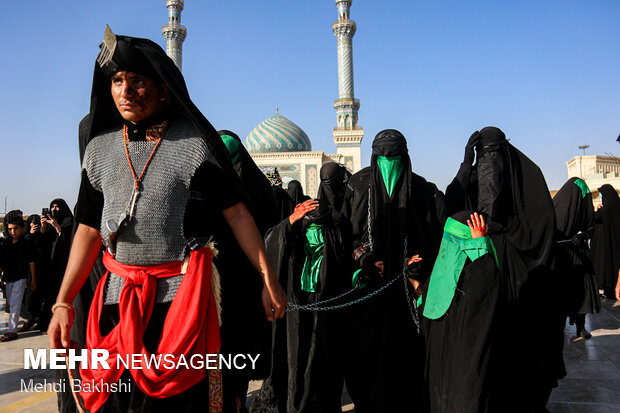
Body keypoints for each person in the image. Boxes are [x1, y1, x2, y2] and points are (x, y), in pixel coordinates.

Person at [47, 26, 287, 413]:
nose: (125, 91)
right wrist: (62, 303)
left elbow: (238, 213)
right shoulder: (99, 150)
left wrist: (267, 278)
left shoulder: (193, 147)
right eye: (118, 80)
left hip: (180, 306)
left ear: (163, 89)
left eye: (137, 81)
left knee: (179, 403)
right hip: (117, 303)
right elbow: (89, 230)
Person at [445, 126, 563, 412]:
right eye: (483, 158)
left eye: (493, 157)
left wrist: (506, 240)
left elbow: (542, 235)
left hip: (524, 281)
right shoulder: (472, 179)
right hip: (485, 269)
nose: (489, 169)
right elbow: (450, 205)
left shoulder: (527, 179)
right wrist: (465, 165)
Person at [341, 129, 442, 413]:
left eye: (394, 157)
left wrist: (418, 266)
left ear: (404, 156)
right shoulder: (358, 186)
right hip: (369, 289)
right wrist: (364, 258)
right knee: (366, 351)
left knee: (408, 352)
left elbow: (432, 236)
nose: (388, 164)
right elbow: (345, 235)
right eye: (383, 157)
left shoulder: (421, 190)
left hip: (408, 291)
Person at [251, 198, 352, 413]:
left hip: (326, 313)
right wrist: (290, 221)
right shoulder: (293, 238)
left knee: (324, 362)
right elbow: (271, 242)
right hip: (296, 314)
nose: (314, 235)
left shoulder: (335, 239)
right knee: (296, 362)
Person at [217, 130, 280, 412]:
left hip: (236, 287)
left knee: (232, 359)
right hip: (231, 285)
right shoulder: (258, 190)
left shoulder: (226, 188)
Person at [421, 211, 500, 413]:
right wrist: (480, 245)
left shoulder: (438, 274)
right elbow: (487, 291)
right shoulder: (477, 274)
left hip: (440, 386)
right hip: (463, 384)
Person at [553, 178, 600, 339]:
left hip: (579, 255)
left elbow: (590, 228)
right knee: (563, 292)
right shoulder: (557, 207)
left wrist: (581, 236)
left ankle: (581, 327)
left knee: (582, 291)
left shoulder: (582, 209)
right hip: (562, 255)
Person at [0, 215, 38, 341]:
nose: (13, 232)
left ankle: (12, 330)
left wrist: (33, 279)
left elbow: (32, 262)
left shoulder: (26, 243)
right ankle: (29, 318)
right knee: (12, 303)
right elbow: (2, 262)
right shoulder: (6, 243)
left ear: (22, 228)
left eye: (16, 229)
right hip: (8, 278)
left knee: (15, 305)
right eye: (10, 229)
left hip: (20, 278)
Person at [590, 184, 620, 299]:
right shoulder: (617, 207)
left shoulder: (604, 210)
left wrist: (597, 209)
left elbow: (593, 218)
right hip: (616, 246)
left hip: (606, 247)